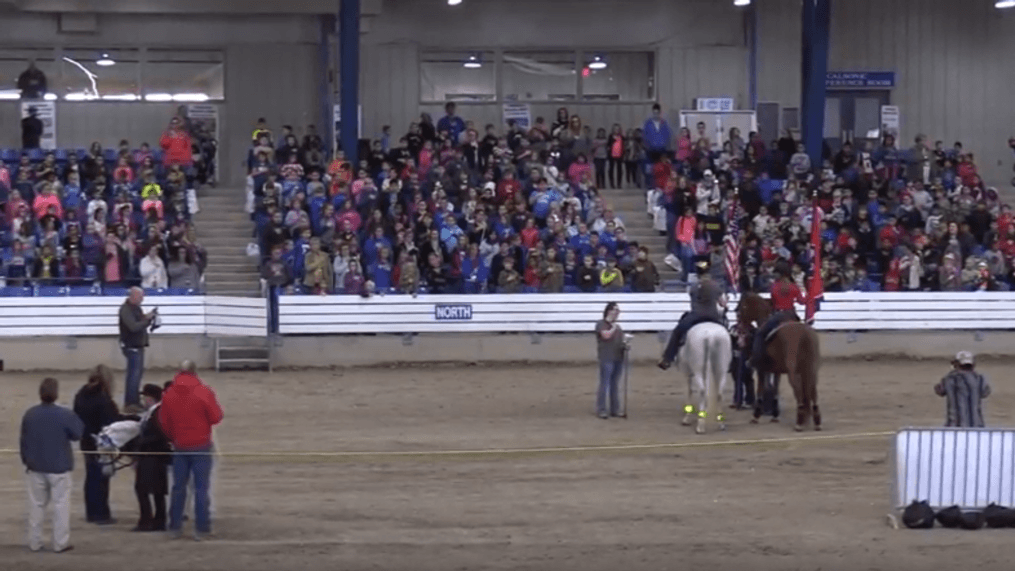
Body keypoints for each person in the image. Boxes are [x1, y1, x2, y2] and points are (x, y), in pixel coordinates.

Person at [161, 361, 223, 540]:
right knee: (201, 488)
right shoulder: (204, 391)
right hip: (201, 444)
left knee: (178, 487)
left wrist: (174, 437)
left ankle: (175, 527)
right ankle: (202, 529)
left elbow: (164, 422)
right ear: (195, 372)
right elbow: (216, 416)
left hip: (180, 445)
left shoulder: (169, 394)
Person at [20, 378, 84, 553]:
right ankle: (60, 543)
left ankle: (34, 541)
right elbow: (77, 434)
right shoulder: (65, 414)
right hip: (59, 466)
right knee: (61, 505)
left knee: (36, 505)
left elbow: (23, 441)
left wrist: (27, 460)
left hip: (36, 466)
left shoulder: (30, 414)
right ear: (55, 394)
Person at [73, 366, 121, 525]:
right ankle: (101, 513)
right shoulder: (103, 399)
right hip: (101, 443)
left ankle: (92, 512)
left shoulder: (81, 394)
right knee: (101, 478)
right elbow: (110, 422)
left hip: (86, 441)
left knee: (91, 476)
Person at [658, 260, 726, 369]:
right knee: (726, 332)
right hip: (713, 316)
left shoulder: (694, 287)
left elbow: (693, 302)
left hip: (696, 315)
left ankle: (667, 359)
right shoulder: (716, 286)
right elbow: (722, 304)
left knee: (677, 332)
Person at [750, 262, 806, 369]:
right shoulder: (794, 286)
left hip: (778, 315)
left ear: (780, 274)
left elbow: (774, 302)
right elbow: (801, 301)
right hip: (791, 315)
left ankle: (755, 359)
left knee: (760, 333)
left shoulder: (774, 286)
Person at [132, 384, 172, 532]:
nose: (143, 399)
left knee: (143, 489)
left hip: (152, 455)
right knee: (157, 490)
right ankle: (157, 520)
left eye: (145, 396)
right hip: (154, 455)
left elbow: (157, 434)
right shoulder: (154, 412)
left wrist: (140, 443)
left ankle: (147, 520)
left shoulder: (157, 413)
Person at [119, 287, 156, 408]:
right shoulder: (126, 310)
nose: (142, 299)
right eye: (140, 296)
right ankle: (131, 402)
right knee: (134, 375)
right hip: (132, 345)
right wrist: (147, 320)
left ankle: (133, 401)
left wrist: (146, 317)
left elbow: (137, 322)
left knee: (136, 375)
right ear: (133, 296)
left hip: (136, 345)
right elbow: (133, 327)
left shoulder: (134, 308)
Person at [934, 351, 991, 428]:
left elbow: (939, 391)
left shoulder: (949, 378)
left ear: (956, 364)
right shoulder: (979, 379)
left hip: (954, 425)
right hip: (976, 425)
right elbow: (985, 392)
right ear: (973, 365)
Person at [595, 302, 629, 419]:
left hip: (617, 357)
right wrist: (613, 327)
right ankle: (602, 409)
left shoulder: (618, 328)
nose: (617, 313)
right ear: (609, 311)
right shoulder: (601, 324)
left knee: (614, 384)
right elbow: (606, 336)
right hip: (606, 357)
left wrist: (625, 345)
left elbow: (620, 341)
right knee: (605, 383)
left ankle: (615, 409)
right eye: (615, 310)